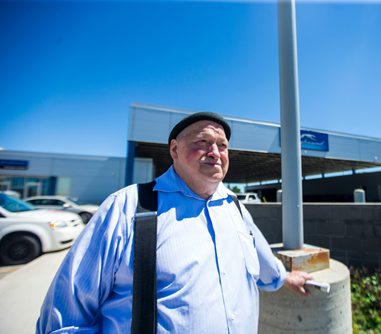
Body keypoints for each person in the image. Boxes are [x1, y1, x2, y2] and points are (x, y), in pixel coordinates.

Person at [37, 112, 313, 333]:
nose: (215, 152)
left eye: (222, 145)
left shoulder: (235, 207)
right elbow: (65, 317)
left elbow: (260, 258)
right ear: (174, 149)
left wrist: (285, 277)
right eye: (202, 142)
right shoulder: (129, 206)